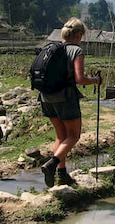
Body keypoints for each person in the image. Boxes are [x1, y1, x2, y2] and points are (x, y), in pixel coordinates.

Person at [40, 17, 102, 187]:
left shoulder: (51, 48)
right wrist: (96, 80)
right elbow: (80, 79)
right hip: (65, 97)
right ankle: (51, 165)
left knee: (61, 135)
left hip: (46, 97)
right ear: (79, 34)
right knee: (73, 136)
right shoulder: (76, 51)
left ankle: (61, 174)